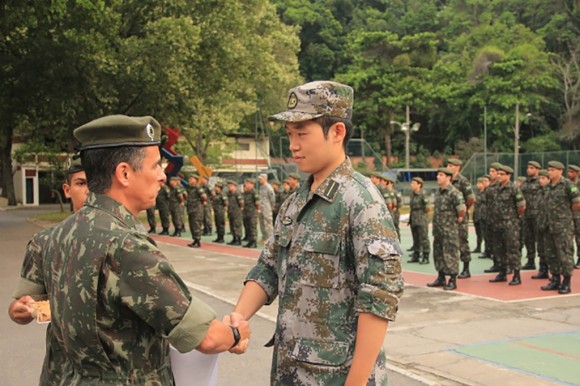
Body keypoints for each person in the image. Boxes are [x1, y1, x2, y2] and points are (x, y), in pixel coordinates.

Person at [42, 115, 250, 384]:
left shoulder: (58, 234)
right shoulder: (125, 245)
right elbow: (207, 337)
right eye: (155, 166)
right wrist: (236, 334)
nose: (163, 176)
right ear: (125, 173)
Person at [226, 81, 404, 385]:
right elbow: (268, 268)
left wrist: (356, 383)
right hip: (290, 370)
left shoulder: (360, 202)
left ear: (337, 132)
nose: (294, 145)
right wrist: (237, 321)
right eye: (290, 135)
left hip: (337, 377)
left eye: (302, 134)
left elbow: (379, 299)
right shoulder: (297, 201)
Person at [8, 156, 89, 386]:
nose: (88, 191)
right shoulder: (45, 242)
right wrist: (21, 309)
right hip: (61, 373)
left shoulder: (125, 243)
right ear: (67, 189)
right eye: (81, 183)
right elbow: (19, 306)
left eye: (95, 184)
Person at [542, 161, 580, 293]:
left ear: (560, 171)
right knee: (551, 254)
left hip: (563, 226)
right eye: (548, 169)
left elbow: (577, 203)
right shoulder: (547, 187)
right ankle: (555, 279)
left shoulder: (568, 185)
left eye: (552, 170)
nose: (549, 172)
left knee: (565, 253)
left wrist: (565, 215)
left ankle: (566, 282)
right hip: (549, 225)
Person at [427, 167, 466, 291]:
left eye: (441, 175)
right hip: (438, 229)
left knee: (450, 254)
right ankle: (441, 276)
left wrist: (458, 219)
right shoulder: (438, 192)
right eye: (438, 174)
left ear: (448, 178)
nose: (438, 177)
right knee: (438, 253)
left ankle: (453, 279)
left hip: (449, 229)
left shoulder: (455, 193)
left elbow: (462, 210)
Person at [488, 165, 526, 285]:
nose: (499, 176)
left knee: (512, 250)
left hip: (510, 224)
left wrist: (515, 218)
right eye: (498, 174)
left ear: (508, 176)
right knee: (499, 250)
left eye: (502, 174)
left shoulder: (514, 188)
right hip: (497, 224)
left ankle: (516, 274)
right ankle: (502, 272)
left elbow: (521, 206)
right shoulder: (494, 188)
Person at [446, 158, 475, 279]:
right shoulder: (447, 181)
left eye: (451, 165)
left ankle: (466, 268)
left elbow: (470, 199)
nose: (449, 167)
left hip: (460, 217)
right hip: (449, 217)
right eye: (448, 165)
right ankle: (451, 268)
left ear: (457, 167)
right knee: (450, 243)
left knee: (462, 241)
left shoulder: (463, 181)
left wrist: (462, 212)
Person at [520, 161, 542, 270]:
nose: (529, 169)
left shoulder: (540, 182)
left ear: (537, 170)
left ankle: (543, 263)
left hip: (538, 215)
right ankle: (530, 260)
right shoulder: (525, 182)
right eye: (528, 167)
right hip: (526, 215)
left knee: (540, 239)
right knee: (528, 239)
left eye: (532, 168)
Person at [532, 169, 551, 280]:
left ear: (548, 179)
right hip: (540, 223)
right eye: (540, 178)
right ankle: (543, 270)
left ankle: (555, 274)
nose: (540, 181)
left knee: (551, 250)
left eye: (543, 178)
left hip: (551, 224)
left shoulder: (551, 191)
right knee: (541, 248)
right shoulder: (540, 192)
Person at [484, 162, 503, 272]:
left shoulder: (501, 186)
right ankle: (496, 263)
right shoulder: (490, 186)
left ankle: (505, 266)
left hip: (501, 219)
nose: (491, 174)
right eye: (490, 171)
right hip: (491, 218)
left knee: (502, 244)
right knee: (494, 243)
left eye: (493, 172)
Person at [407, 176, 431, 264]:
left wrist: (421, 214)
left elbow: (428, 208)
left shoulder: (423, 194)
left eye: (413, 183)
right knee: (415, 238)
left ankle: (426, 256)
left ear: (419, 185)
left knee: (424, 238)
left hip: (421, 219)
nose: (411, 185)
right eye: (411, 183)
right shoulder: (412, 194)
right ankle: (416, 255)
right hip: (413, 218)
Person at [185, 174, 206, 248]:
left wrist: (203, 202)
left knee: (196, 225)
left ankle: (197, 241)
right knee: (192, 225)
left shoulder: (198, 187)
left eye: (191, 179)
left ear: (195, 180)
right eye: (189, 179)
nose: (189, 180)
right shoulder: (190, 188)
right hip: (191, 209)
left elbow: (204, 196)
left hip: (197, 209)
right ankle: (195, 240)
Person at [257, 173, 275, 242]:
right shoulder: (261, 187)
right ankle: (264, 236)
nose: (259, 180)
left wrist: (271, 207)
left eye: (260, 179)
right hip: (261, 207)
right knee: (261, 223)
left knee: (268, 223)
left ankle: (270, 239)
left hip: (267, 207)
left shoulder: (269, 187)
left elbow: (272, 198)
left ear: (265, 179)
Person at [242, 178, 260, 248]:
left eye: (248, 183)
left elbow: (257, 202)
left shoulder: (254, 192)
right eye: (246, 183)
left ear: (252, 184)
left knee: (252, 228)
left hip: (252, 212)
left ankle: (254, 242)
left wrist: (258, 210)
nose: (246, 185)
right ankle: (249, 241)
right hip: (246, 212)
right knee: (247, 227)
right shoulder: (246, 192)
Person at [226, 180, 244, 246]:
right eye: (228, 186)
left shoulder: (237, 193)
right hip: (230, 212)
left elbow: (241, 203)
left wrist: (241, 209)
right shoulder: (229, 194)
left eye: (231, 186)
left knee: (237, 225)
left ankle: (238, 240)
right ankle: (234, 238)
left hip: (236, 212)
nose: (229, 187)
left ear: (235, 186)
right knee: (232, 226)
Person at [472, 177, 487, 254]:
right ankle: (478, 247)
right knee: (478, 233)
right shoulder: (476, 192)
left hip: (483, 215)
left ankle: (487, 249)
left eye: (480, 183)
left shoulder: (486, 192)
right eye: (477, 183)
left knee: (484, 233)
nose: (478, 185)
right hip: (476, 214)